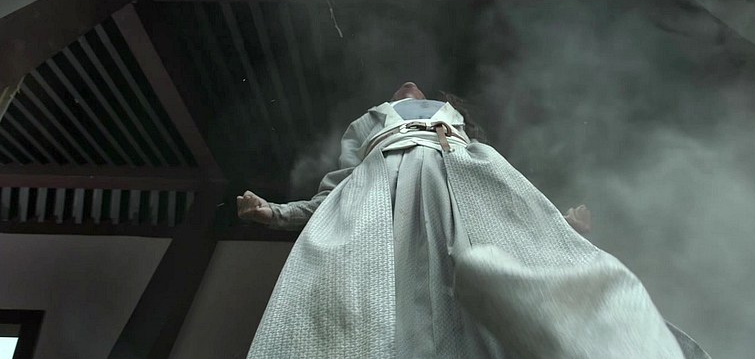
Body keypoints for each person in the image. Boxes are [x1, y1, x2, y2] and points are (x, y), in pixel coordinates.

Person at [238, 81, 710, 359]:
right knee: (378, 299)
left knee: (484, 271)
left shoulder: (464, 138)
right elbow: (334, 188)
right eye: (400, 90)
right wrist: (274, 213)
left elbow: (512, 199)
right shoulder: (367, 125)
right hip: (383, 190)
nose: (409, 86)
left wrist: (558, 223)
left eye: (417, 89)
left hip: (453, 179)